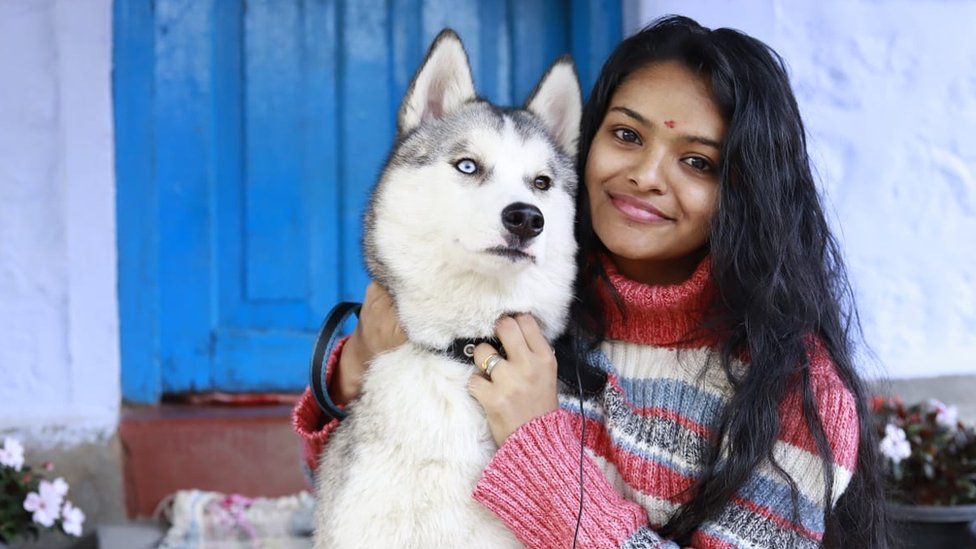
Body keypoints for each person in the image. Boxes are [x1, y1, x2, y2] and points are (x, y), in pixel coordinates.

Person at [292, 15, 888, 548]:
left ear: (746, 190)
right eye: (626, 135)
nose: (645, 176)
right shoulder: (521, 299)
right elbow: (384, 502)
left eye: (697, 161)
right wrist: (356, 371)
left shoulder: (795, 390)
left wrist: (540, 449)